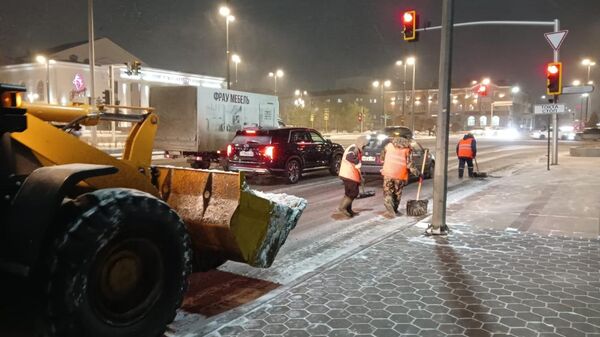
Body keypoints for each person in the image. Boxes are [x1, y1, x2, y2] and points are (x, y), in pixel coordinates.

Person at [380, 136, 419, 217]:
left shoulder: (388, 146)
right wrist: (418, 174)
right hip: (400, 175)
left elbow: (382, 158)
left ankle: (389, 207)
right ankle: (395, 209)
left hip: (388, 173)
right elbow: (410, 165)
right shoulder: (407, 149)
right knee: (397, 193)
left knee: (388, 191)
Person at [337, 136, 366, 218]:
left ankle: (348, 209)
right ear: (361, 143)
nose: (365, 147)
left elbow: (357, 166)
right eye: (364, 146)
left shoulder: (356, 149)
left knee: (349, 193)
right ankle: (342, 208)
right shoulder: (353, 148)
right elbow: (349, 157)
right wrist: (357, 162)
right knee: (353, 193)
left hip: (350, 175)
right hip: (349, 174)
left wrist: (361, 177)